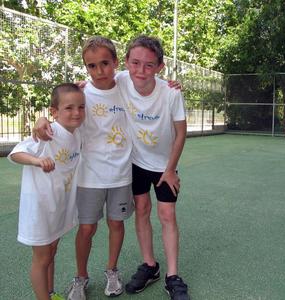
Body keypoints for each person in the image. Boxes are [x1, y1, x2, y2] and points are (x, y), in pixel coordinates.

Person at [34, 36, 135, 299]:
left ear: (115, 62)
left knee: (116, 223)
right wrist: (41, 118)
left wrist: (172, 86)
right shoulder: (83, 93)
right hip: (89, 176)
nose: (99, 71)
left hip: (122, 174)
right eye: (91, 66)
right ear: (86, 68)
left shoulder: (127, 84)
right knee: (87, 228)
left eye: (105, 63)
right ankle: (81, 277)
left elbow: (149, 79)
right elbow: (59, 109)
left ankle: (112, 272)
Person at [115, 35, 190, 300]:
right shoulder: (121, 80)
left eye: (149, 65)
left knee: (167, 214)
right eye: (135, 63)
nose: (141, 70)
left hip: (164, 165)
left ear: (160, 66)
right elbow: (93, 88)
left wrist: (171, 169)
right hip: (136, 161)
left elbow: (181, 133)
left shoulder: (171, 92)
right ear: (126, 62)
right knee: (142, 210)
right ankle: (150, 265)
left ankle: (172, 275)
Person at [8, 83, 85, 300]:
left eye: (81, 107)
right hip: (40, 208)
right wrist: (37, 160)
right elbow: (16, 153)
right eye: (69, 108)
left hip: (58, 206)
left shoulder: (77, 134)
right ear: (54, 112)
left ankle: (50, 293)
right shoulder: (48, 133)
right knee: (42, 258)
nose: (77, 113)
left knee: (52, 251)